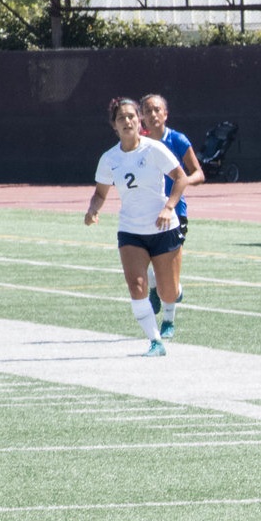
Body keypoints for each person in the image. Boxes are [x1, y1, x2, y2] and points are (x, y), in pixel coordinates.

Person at [85, 97, 187, 355]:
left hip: (164, 228)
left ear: (138, 120)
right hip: (131, 230)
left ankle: (175, 293)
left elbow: (181, 178)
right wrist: (93, 209)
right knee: (137, 285)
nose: (128, 121)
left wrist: (168, 207)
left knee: (168, 292)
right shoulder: (109, 159)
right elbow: (100, 193)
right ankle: (155, 341)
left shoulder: (153, 149)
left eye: (131, 116)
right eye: (122, 118)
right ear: (114, 126)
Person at [138, 93, 202, 320]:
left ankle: (171, 295)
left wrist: (181, 180)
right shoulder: (138, 143)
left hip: (175, 212)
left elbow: (198, 174)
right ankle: (157, 287)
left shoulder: (177, 140)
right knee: (141, 259)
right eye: (148, 111)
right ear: (141, 117)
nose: (153, 114)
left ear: (165, 114)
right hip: (146, 211)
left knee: (164, 264)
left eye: (157, 110)